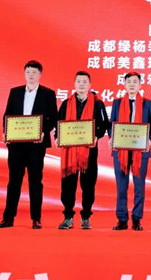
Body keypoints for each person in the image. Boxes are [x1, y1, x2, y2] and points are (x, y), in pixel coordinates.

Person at [0, 60, 58, 229]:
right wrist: (6, 132)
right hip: (16, 144)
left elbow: (53, 117)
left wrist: (43, 130)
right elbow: (7, 115)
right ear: (24, 74)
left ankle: (36, 218)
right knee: (14, 181)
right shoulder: (15, 92)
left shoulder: (48, 94)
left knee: (35, 181)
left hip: (36, 145)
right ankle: (8, 218)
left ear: (40, 75)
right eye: (28, 72)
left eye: (34, 72)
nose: (31, 75)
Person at [57, 71, 109, 230]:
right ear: (74, 84)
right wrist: (58, 137)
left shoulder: (98, 104)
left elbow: (104, 124)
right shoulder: (66, 103)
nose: (81, 84)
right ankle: (68, 216)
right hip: (69, 152)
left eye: (84, 82)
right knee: (68, 185)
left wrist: (97, 136)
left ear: (89, 85)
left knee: (88, 185)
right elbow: (59, 123)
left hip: (89, 151)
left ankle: (86, 216)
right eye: (78, 81)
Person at [110, 72, 151, 231]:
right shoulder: (117, 103)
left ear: (140, 85)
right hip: (121, 151)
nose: (131, 84)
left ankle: (137, 219)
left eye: (135, 82)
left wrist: (149, 139)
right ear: (124, 84)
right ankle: (122, 219)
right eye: (129, 81)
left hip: (140, 151)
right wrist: (111, 138)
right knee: (121, 187)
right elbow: (112, 124)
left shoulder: (147, 103)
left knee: (139, 187)